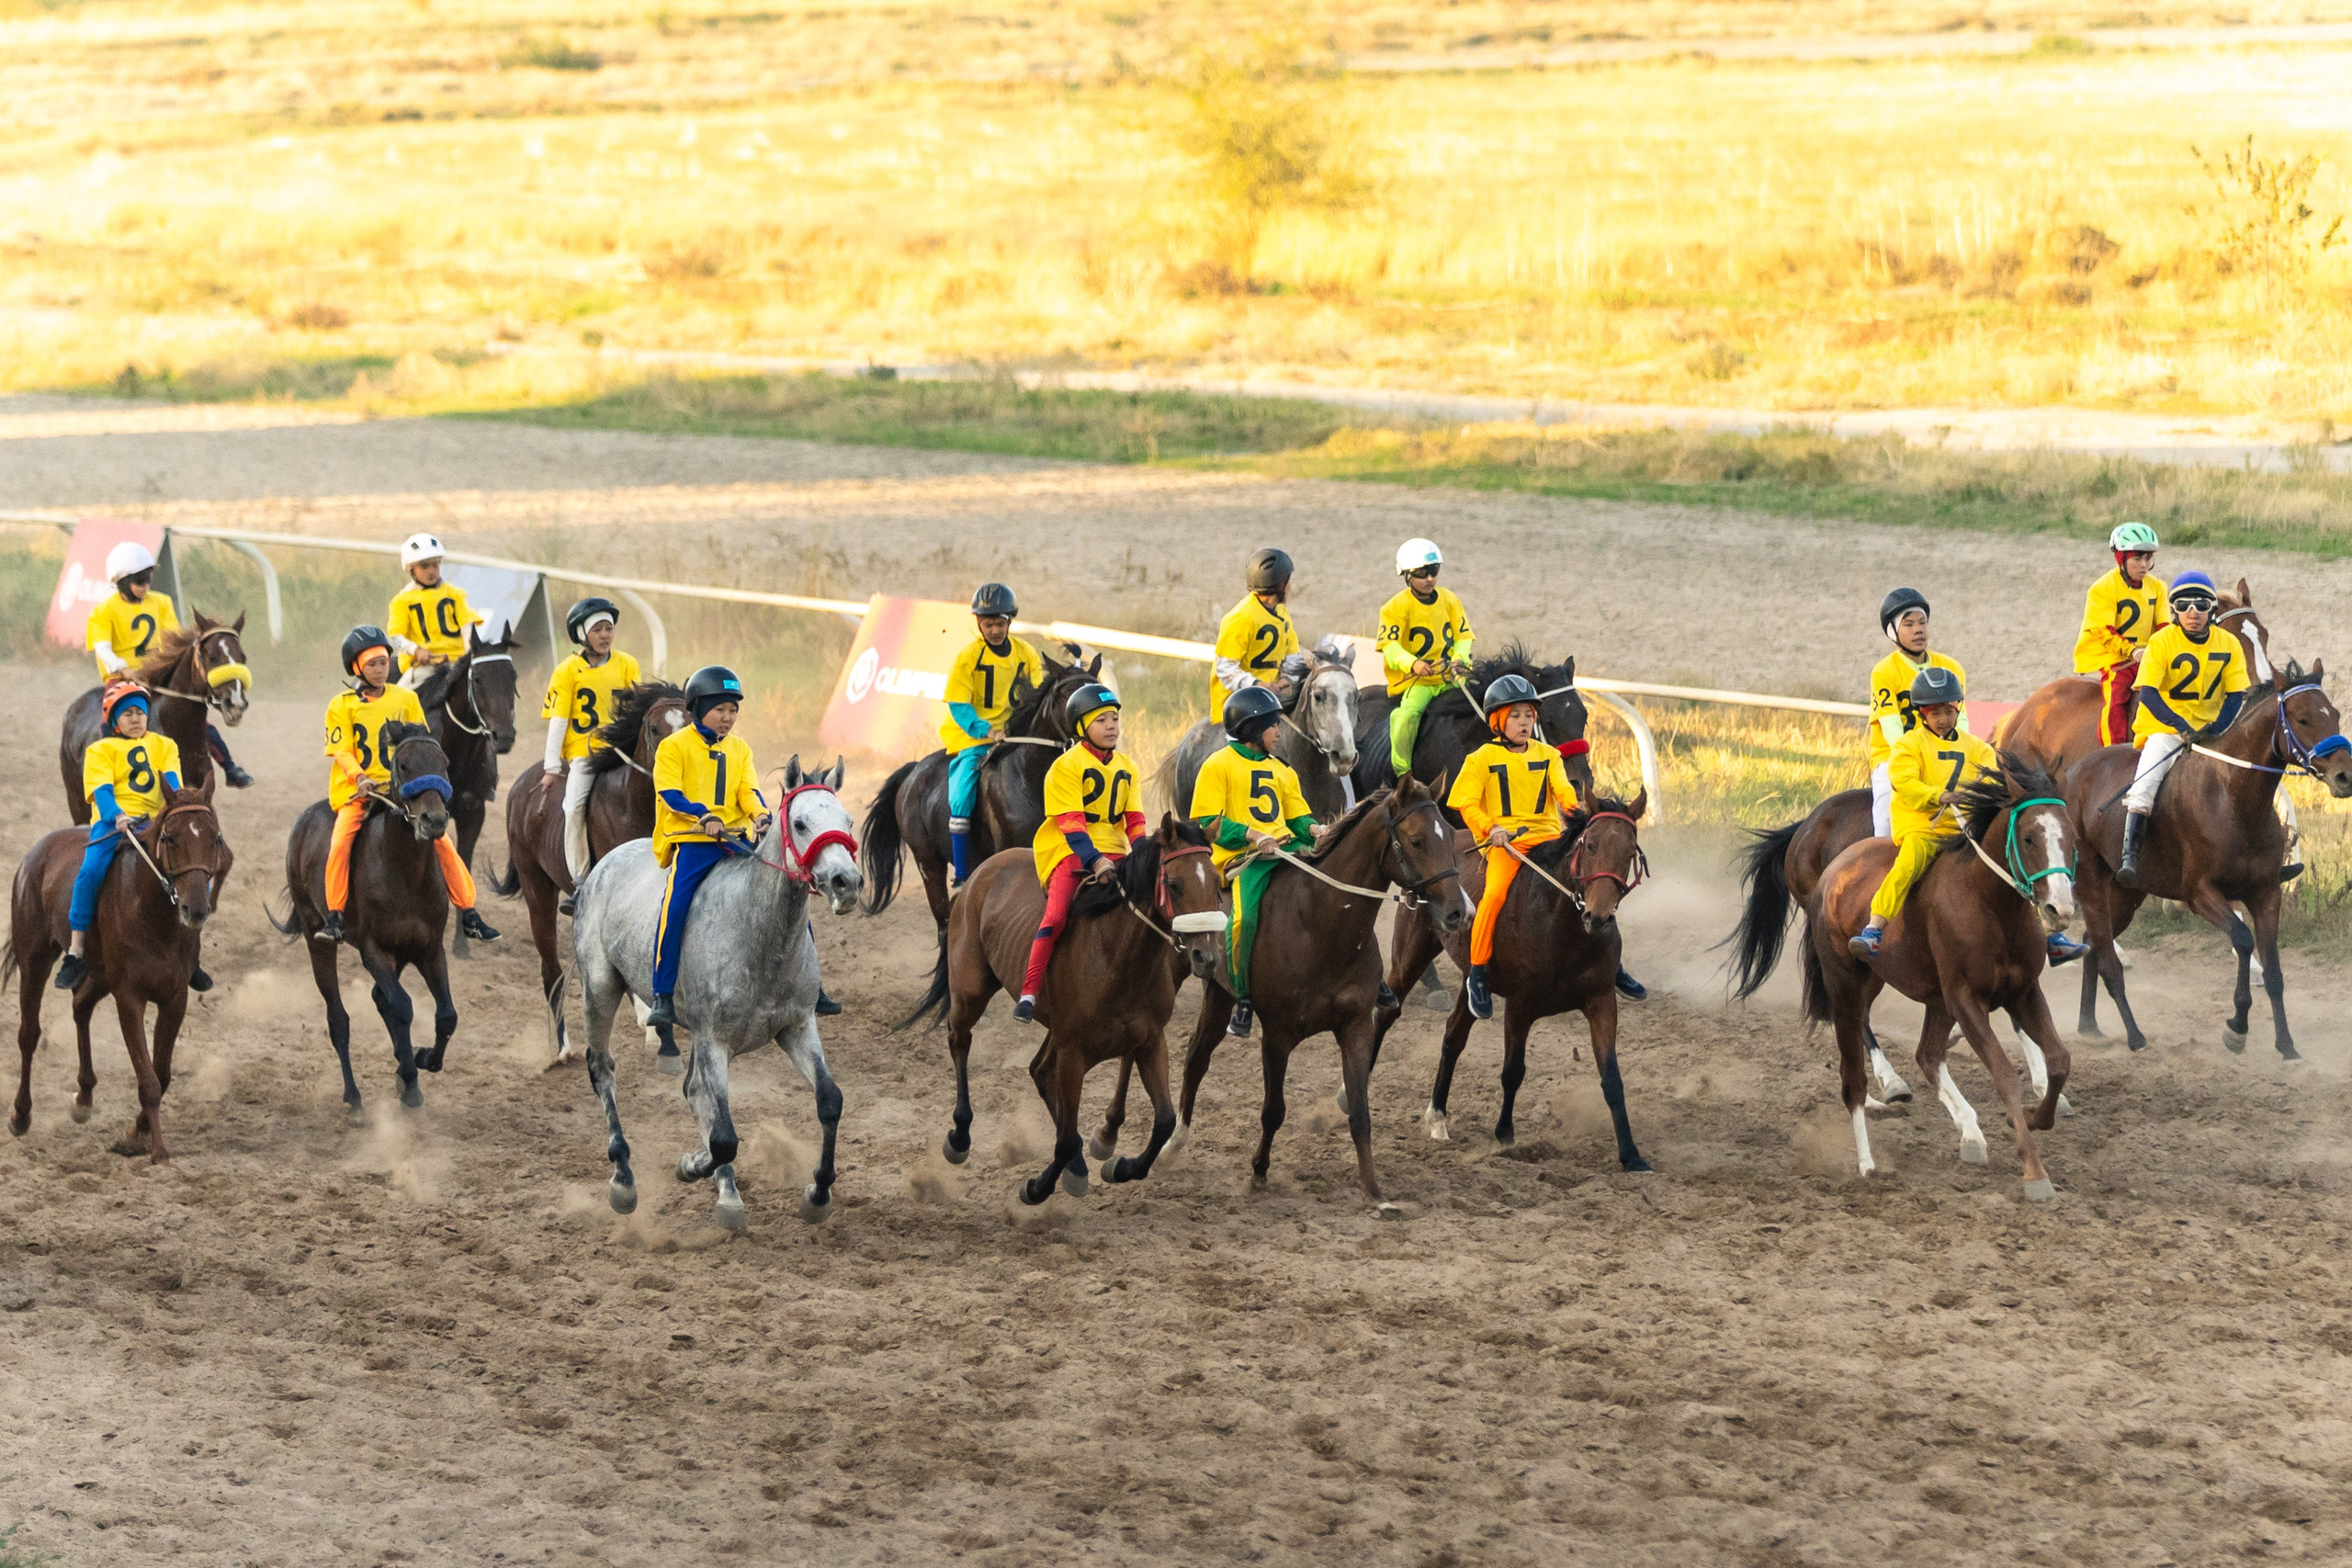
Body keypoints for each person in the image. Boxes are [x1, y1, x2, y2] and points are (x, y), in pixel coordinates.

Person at [1849, 667, 2087, 963]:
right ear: (1922, 714)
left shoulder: (1974, 746)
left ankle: (2053, 937)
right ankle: (1874, 928)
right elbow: (1904, 782)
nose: (1943, 719)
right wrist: (1937, 795)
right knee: (1907, 865)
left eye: (1948, 712)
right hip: (1922, 828)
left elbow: (1992, 777)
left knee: (2015, 868)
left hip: (1964, 828)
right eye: (1935, 714)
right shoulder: (1909, 745)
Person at [320, 626, 500, 947]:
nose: (380, 669)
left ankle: (469, 912)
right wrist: (359, 778)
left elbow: (420, 739)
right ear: (357, 668)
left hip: (401, 789)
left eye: (384, 662)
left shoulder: (405, 698)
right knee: (340, 844)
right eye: (372, 664)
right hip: (358, 790)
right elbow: (342, 750)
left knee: (442, 841)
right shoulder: (341, 705)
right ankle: (334, 915)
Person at [53, 682, 209, 992]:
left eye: (141, 712)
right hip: (113, 824)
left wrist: (180, 809)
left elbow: (173, 786)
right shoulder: (100, 750)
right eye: (128, 714)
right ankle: (76, 950)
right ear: (114, 722)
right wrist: (117, 816)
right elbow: (102, 792)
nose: (136, 718)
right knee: (89, 872)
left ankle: (191, 955)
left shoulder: (165, 746)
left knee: (195, 873)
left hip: (156, 822)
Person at [1447, 673, 1581, 1020]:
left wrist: (1576, 813)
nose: (1524, 722)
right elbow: (1466, 803)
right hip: (1507, 845)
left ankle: (1613, 963)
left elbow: (1564, 793)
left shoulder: (1550, 755)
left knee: (1591, 883)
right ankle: (1477, 972)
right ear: (1497, 721)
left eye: (1528, 715)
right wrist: (1490, 827)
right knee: (1491, 897)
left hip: (1550, 839)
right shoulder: (1480, 759)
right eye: (1515, 716)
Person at [1011, 683, 1147, 1023]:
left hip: (1115, 851)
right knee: (1056, 916)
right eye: (1101, 720)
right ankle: (1030, 990)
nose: (1112, 725)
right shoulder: (1065, 766)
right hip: (1071, 852)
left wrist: (1145, 857)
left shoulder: (1128, 766)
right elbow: (1072, 825)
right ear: (1082, 726)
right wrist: (1094, 861)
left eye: (1114, 718)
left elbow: (1134, 821)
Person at [1189, 685, 1319, 1038]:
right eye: (1272, 724)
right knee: (1242, 920)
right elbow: (1207, 824)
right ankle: (1243, 997)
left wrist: (1316, 829)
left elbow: (1297, 818)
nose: (1279, 732)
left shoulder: (1283, 770)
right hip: (1243, 863)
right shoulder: (1217, 766)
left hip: (1286, 853)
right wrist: (1251, 835)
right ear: (1250, 728)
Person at [648, 666, 771, 1028]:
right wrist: (703, 815)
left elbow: (747, 790)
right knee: (676, 905)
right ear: (698, 708)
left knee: (784, 888)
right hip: (693, 841)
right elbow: (669, 794)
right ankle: (663, 993)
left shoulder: (740, 749)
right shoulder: (673, 746)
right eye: (721, 710)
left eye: (733, 710)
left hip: (734, 838)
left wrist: (761, 815)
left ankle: (813, 986)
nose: (728, 718)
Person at [84, 540, 253, 789]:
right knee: (110, 721)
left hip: (158, 673)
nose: (145, 586)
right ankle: (107, 768)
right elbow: (103, 649)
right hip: (122, 677)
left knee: (193, 717)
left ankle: (229, 766)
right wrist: (124, 669)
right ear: (121, 582)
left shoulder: (161, 602)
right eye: (139, 580)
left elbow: (173, 639)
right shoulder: (104, 611)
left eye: (148, 578)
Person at [2118, 570, 2248, 889]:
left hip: (2212, 732)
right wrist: (2180, 726)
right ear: (2174, 609)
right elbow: (2147, 692)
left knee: (2251, 781)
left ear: (2211, 610)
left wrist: (2216, 727)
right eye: (2184, 605)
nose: (2193, 612)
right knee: (2144, 785)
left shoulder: (2229, 643)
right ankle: (2130, 857)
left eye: (2201, 605)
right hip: (2166, 730)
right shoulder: (2161, 641)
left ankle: (2266, 857)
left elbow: (2236, 694)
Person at [541, 596, 643, 913]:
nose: (604, 635)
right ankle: (581, 882)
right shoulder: (567, 670)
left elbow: (637, 711)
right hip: (585, 754)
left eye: (608, 628)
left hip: (620, 750)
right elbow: (559, 720)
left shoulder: (627, 663)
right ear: (582, 633)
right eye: (597, 629)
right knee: (573, 808)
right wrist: (550, 765)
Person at [940, 582, 1046, 888]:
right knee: (961, 794)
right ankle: (961, 875)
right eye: (988, 624)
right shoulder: (968, 657)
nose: (995, 630)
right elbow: (959, 706)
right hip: (975, 739)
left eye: (1000, 624)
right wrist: (987, 730)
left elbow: (1035, 698)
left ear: (1009, 622)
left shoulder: (1026, 653)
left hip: (1015, 736)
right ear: (979, 624)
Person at [1866, 588, 1966, 839]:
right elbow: (1893, 731)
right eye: (1908, 624)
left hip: (1945, 753)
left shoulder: (1952, 667)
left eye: (1922, 622)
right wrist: (1922, 760)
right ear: (1893, 631)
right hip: (1895, 757)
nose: (1918, 629)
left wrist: (1962, 752)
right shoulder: (1884, 672)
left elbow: (1961, 721)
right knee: (1887, 801)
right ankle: (1883, 850)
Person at [1377, 538, 1476, 780]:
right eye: (1422, 573)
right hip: (1418, 682)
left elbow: (1463, 635)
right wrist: (1413, 663)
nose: (1430, 578)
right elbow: (1390, 646)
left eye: (1434, 571)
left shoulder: (1450, 600)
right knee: (1406, 717)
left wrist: (1460, 658)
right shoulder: (1394, 607)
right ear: (1406, 575)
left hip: (1450, 676)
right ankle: (1403, 772)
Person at [2074, 522, 2168, 748]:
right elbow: (2102, 630)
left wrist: (2162, 651)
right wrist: (2132, 651)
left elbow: (2164, 627)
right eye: (2138, 559)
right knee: (2116, 699)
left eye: (2148, 559)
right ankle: (2112, 750)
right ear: (2121, 558)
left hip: (2148, 656)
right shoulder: (2102, 588)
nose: (2144, 565)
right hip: (2115, 659)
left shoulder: (2158, 587)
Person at [1208, 548, 1300, 724]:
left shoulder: (1282, 613)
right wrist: (1258, 685)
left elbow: (1294, 658)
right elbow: (1225, 669)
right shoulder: (1240, 618)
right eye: (1288, 581)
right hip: (1237, 709)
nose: (1290, 587)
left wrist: (1287, 680)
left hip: (1271, 703)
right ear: (1280, 585)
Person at [385, 532, 482, 689]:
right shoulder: (401, 601)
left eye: (435, 564)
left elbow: (467, 626)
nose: (431, 571)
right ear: (411, 569)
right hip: (424, 667)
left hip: (457, 663)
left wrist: (469, 652)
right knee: (400, 702)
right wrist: (415, 650)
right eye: (424, 566)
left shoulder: (455, 594)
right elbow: (395, 637)